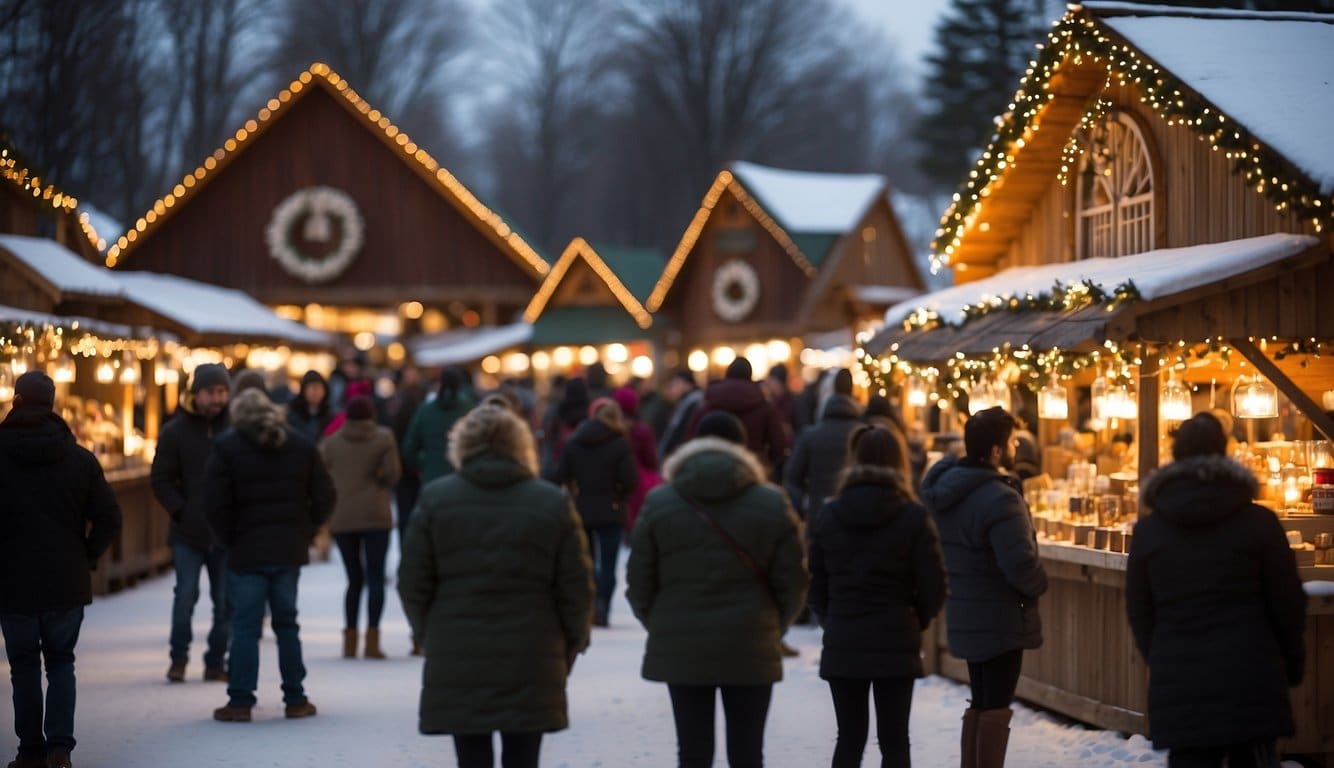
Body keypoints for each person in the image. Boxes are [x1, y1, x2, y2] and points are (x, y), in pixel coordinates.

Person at [397, 404, 594, 768]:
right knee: (524, 755)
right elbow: (577, 586)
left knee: (471, 755)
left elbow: (412, 580)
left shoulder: (437, 500)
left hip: (458, 648)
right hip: (533, 649)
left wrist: (430, 633)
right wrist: (571, 642)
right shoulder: (550, 502)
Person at [627, 411, 808, 768]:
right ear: (743, 449)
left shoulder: (662, 502)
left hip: (682, 640)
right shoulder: (771, 503)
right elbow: (793, 580)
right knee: (747, 751)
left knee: (692, 752)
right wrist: (774, 624)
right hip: (751, 637)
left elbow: (639, 581)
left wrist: (663, 623)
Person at [1127, 413, 1306, 768]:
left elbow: (1139, 610)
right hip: (1250, 679)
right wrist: (1292, 665)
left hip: (1180, 682)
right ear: (1224, 454)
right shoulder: (1260, 524)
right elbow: (1287, 602)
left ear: (1175, 455)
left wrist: (1162, 658)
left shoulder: (1150, 531)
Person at [0, 372, 121, 768]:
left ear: (15, 401)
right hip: (66, 579)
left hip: (12, 579)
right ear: (52, 404)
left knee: (23, 666)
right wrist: (87, 554)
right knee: (61, 663)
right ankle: (60, 749)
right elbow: (109, 517)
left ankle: (29, 750)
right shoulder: (79, 459)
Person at [809, 426, 947, 768]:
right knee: (895, 740)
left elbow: (816, 585)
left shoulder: (829, 514)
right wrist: (914, 618)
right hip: (895, 636)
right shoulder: (913, 517)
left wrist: (834, 618)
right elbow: (933, 585)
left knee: (849, 738)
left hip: (844, 636)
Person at [920, 406, 1046, 768]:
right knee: (995, 705)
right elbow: (1019, 563)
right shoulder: (1000, 498)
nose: (1015, 448)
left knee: (981, 700)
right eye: (1012, 442)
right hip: (1000, 614)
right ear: (996, 450)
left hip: (966, 608)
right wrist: (1039, 584)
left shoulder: (947, 492)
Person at [205, 389, 335, 722]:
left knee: (246, 627)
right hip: (288, 549)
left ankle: (240, 701)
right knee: (287, 624)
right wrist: (306, 531)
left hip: (246, 551)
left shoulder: (227, 447)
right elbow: (325, 496)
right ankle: (295, 697)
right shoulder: (300, 444)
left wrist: (229, 538)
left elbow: (214, 503)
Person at [150, 362, 232, 684]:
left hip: (225, 533)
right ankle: (179, 657)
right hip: (188, 532)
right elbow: (161, 479)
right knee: (185, 597)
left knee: (225, 602)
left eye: (223, 391)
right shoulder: (175, 431)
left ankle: (215, 660)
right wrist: (181, 511)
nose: (217, 398)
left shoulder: (235, 429)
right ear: (196, 394)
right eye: (211, 392)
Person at [319, 395, 401, 660]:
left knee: (354, 579)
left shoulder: (331, 444)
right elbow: (393, 474)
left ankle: (350, 641)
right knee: (375, 577)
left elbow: (320, 476)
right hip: (376, 515)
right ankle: (373, 641)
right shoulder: (384, 438)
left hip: (344, 517)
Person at [545, 398, 638, 627]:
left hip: (582, 506)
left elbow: (558, 475)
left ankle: (590, 603)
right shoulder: (620, 443)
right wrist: (619, 492)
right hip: (611, 509)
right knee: (609, 563)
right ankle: (603, 605)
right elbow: (630, 480)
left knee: (587, 562)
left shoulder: (574, 442)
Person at [783, 368, 863, 523]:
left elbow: (792, 476)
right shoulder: (863, 433)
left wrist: (805, 502)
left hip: (818, 516)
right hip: (856, 518)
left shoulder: (810, 435)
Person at [688, 357, 789, 477]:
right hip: (752, 471)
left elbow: (691, 439)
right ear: (750, 376)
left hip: (712, 472)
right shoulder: (764, 406)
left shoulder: (708, 403)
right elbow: (778, 445)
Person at [613, 385, 662, 533]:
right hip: (642, 482)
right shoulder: (642, 430)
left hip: (617, 483)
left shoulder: (611, 430)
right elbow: (651, 459)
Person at [658, 370, 703, 461]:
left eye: (677, 383)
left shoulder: (694, 404)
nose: (674, 388)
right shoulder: (684, 403)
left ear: (688, 385)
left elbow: (683, 431)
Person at [286, 370, 332, 445]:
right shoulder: (292, 414)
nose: (315, 392)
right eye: (311, 387)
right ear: (303, 391)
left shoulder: (330, 416)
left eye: (318, 387)